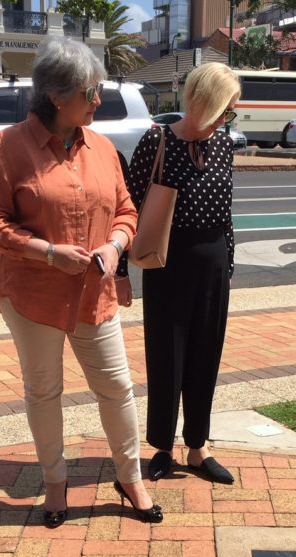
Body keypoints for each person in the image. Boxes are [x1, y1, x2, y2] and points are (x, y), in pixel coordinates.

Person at [0, 37, 161, 527]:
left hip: (93, 293)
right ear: (57, 96)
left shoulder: (101, 148)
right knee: (43, 391)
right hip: (33, 294)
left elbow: (126, 210)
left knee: (117, 388)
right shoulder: (7, 146)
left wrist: (115, 247)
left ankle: (130, 477)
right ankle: (55, 484)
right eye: (90, 91)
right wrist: (49, 253)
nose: (98, 100)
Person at [126, 63, 240, 485]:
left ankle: (198, 447)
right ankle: (161, 447)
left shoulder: (225, 146)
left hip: (212, 262)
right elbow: (129, 208)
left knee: (204, 356)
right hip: (167, 262)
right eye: (226, 109)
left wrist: (227, 262)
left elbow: (227, 214)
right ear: (205, 102)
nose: (228, 118)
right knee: (166, 356)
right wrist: (121, 272)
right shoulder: (157, 140)